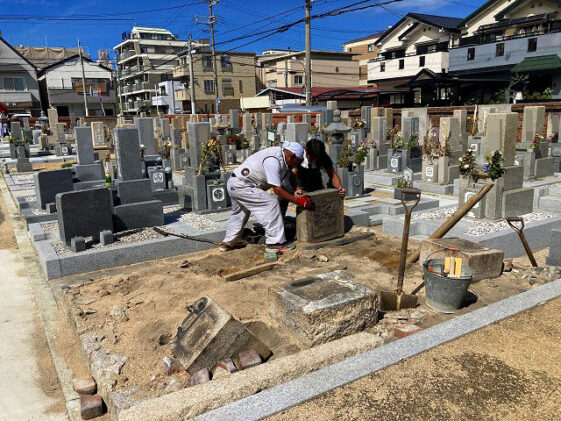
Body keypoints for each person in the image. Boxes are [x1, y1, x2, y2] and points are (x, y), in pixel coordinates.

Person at [221, 142, 312, 253]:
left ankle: (229, 243)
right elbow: (277, 190)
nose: (296, 164)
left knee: (240, 213)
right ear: (291, 156)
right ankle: (275, 243)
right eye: (297, 161)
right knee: (271, 203)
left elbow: (291, 176)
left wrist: (296, 189)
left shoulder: (284, 158)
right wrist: (298, 201)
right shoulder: (273, 161)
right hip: (242, 185)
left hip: (236, 183)